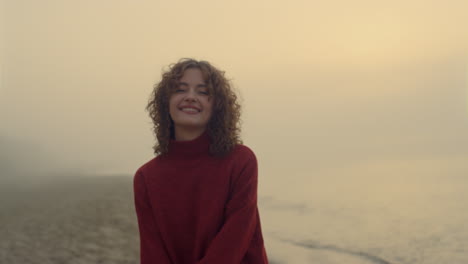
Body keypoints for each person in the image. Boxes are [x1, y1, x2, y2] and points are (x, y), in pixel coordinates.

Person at [133, 58, 269, 264]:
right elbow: (153, 253)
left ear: (217, 106)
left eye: (203, 92)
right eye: (180, 90)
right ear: (165, 102)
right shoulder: (146, 177)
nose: (190, 97)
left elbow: (235, 238)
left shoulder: (241, 161)